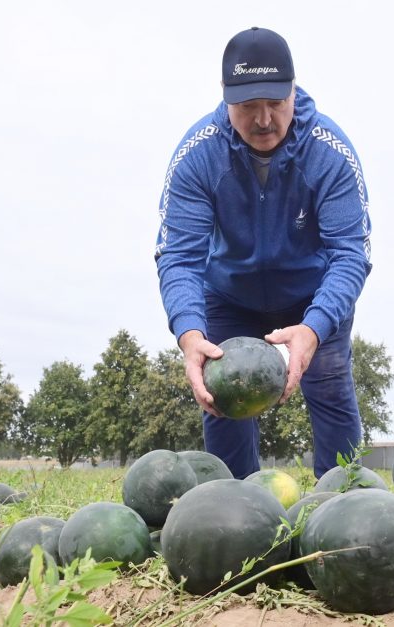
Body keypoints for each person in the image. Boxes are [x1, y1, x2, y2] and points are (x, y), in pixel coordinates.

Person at [154, 27, 372, 480]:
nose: (264, 119)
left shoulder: (330, 154)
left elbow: (350, 254)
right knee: (224, 399)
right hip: (230, 296)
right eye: (249, 106)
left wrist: (314, 328)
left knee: (329, 385)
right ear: (225, 95)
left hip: (312, 298)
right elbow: (179, 258)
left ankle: (345, 503)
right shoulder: (198, 157)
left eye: (275, 102)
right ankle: (235, 511)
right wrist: (190, 334)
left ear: (294, 88)